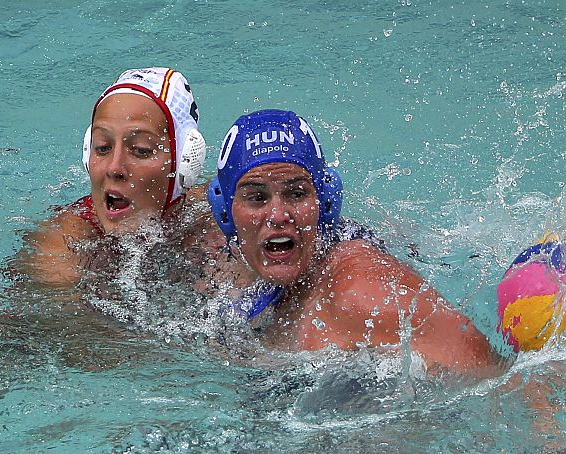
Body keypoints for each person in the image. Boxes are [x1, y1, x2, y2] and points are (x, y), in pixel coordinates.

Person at [207, 109, 503, 377]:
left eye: (297, 194)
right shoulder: (235, 269)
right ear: (226, 214)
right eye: (257, 198)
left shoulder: (358, 292)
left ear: (324, 204)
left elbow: (494, 373)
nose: (278, 215)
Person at [17, 67, 223, 287]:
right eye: (103, 148)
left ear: (185, 162)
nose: (114, 168)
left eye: (141, 150)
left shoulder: (215, 212)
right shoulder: (61, 249)